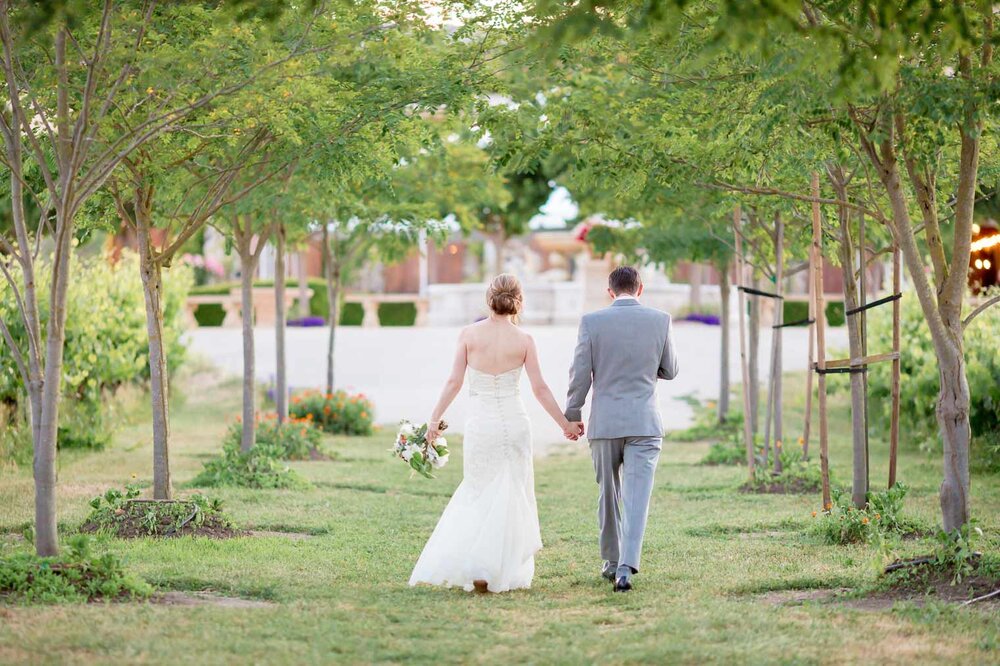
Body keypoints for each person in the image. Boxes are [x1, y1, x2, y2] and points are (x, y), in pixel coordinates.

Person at [409, 274, 578, 593]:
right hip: (515, 424)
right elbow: (540, 389)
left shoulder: (469, 335)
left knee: (479, 490)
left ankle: (480, 570)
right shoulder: (525, 340)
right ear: (518, 302)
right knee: (513, 493)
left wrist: (434, 420)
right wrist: (565, 424)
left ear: (489, 300)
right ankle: (499, 567)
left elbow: (453, 383)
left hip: (482, 424)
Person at [565, 266, 679, 592]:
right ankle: (626, 567)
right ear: (640, 289)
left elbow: (580, 374)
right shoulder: (661, 320)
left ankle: (611, 562)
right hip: (645, 422)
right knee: (637, 497)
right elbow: (670, 370)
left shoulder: (591, 322)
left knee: (608, 494)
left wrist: (573, 412)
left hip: (605, 423)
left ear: (610, 291)